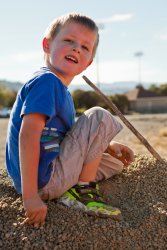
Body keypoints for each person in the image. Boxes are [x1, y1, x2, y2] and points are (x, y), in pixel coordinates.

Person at [5, 13, 134, 227]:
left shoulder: (63, 93)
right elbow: (28, 136)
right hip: (41, 180)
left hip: (50, 175)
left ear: (88, 62)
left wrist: (104, 143)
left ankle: (71, 187)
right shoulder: (46, 81)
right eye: (69, 41)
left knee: (115, 163)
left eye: (85, 47)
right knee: (99, 115)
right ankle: (82, 190)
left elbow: (68, 138)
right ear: (47, 44)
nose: (76, 49)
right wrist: (30, 196)